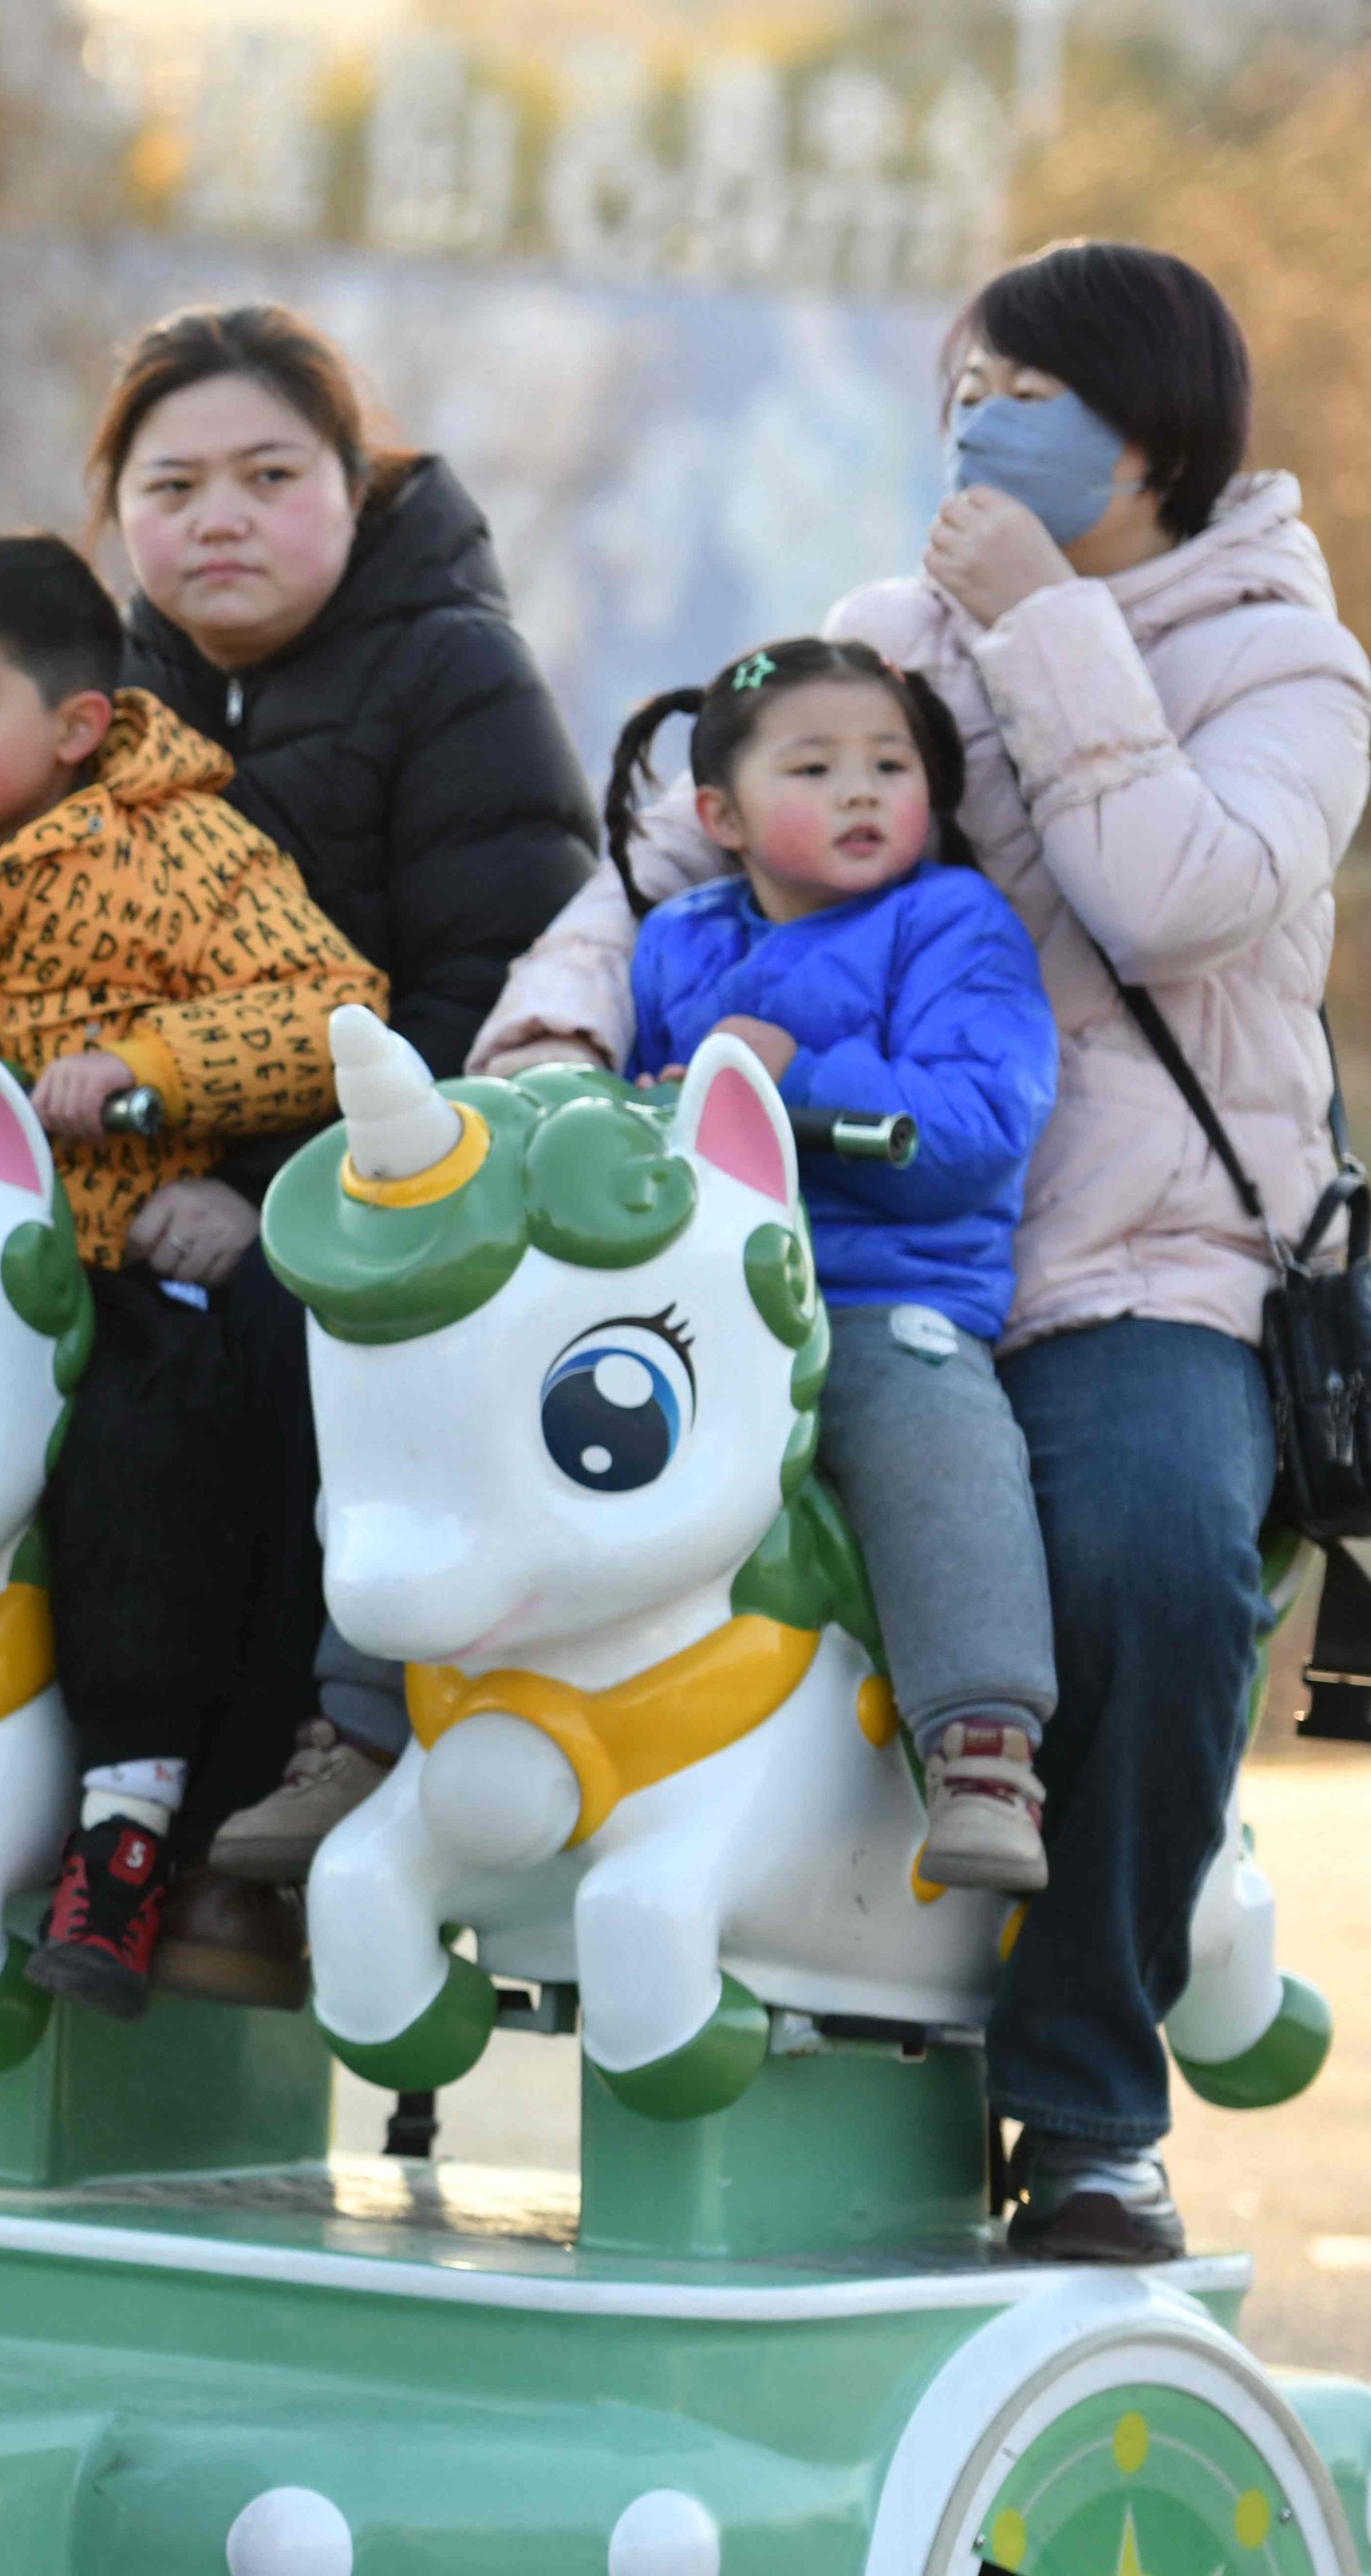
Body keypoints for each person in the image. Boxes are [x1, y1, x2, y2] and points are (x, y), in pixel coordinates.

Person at [478, 240, 1371, 2262]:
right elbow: (686, 862)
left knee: (1147, 1556)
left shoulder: (1286, 667)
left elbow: (1172, 897)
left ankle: (1081, 2114)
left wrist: (1045, 627)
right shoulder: (892, 634)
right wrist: (543, 1041)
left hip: (1129, 1268)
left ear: (1147, 430)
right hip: (843, 1237)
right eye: (957, 383)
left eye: (1020, 389)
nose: (970, 420)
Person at [0, 533, 384, 2017]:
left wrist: (149, 1072)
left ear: (78, 727)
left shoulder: (178, 847)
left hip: (103, 1248)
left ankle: (130, 1819)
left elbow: (331, 1006)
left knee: (135, 1460)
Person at [86, 305, 601, 1889]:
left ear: (355, 486)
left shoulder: (452, 671)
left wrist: (269, 1199)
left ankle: (253, 1841)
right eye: (171, 487)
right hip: (129, 1182)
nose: (218, 517)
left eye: (267, 473)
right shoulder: (101, 694)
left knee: (265, 1358)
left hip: (381, 1195)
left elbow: (493, 983)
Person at [611, 637, 1062, 1885]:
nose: (863, 791)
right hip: (705, 1294)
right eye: (814, 768)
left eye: (889, 764)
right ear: (721, 815)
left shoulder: (954, 922)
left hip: (881, 1290)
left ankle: (984, 1747)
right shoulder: (677, 941)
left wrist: (792, 1076)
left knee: (933, 1430)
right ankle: (379, 1720)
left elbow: (980, 1128)